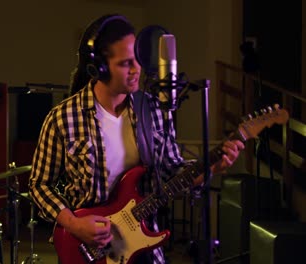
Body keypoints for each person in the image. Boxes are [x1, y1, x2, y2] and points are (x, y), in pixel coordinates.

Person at [28, 14, 245, 263]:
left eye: (137, 60)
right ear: (98, 68)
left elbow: (172, 173)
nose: (136, 69)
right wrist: (74, 224)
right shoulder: (62, 118)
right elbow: (39, 185)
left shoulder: (153, 111)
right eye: (125, 63)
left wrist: (210, 167)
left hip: (144, 249)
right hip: (88, 249)